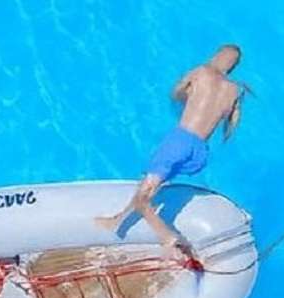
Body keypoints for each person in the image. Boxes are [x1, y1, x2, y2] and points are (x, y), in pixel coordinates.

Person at [95, 45, 246, 253]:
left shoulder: (202, 71)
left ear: (217, 55)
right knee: (149, 185)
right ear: (233, 67)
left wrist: (188, 98)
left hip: (179, 140)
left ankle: (167, 236)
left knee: (143, 199)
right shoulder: (235, 90)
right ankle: (118, 220)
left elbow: (176, 93)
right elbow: (231, 126)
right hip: (199, 150)